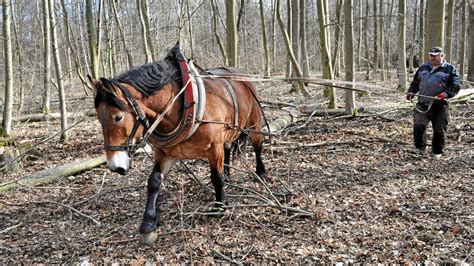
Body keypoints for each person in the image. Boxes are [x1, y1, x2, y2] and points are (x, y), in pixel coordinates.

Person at [406, 46, 461, 158]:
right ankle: (419, 149)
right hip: (422, 103)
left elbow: (455, 86)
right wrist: (411, 92)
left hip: (439, 105)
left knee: (439, 129)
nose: (432, 58)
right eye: (431, 55)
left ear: (442, 56)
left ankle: (437, 151)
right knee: (418, 126)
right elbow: (415, 82)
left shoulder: (450, 69)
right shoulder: (423, 68)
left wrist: (445, 94)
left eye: (435, 56)